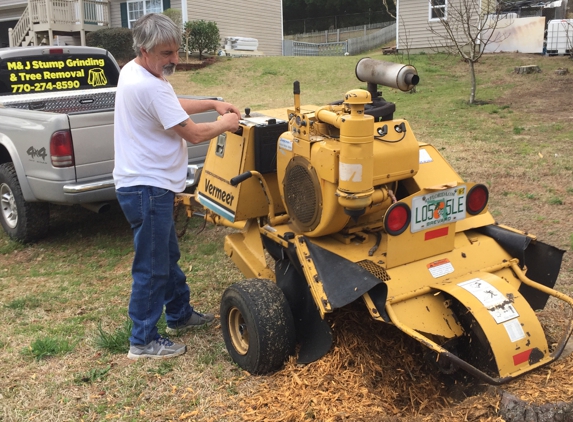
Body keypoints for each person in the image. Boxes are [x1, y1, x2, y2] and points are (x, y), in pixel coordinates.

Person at [113, 13, 240, 360]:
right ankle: (142, 341)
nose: (175, 60)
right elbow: (195, 133)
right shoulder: (147, 84)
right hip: (146, 188)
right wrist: (225, 122)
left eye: (177, 51)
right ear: (145, 49)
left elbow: (171, 104)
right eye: (167, 53)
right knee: (152, 266)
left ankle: (180, 315)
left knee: (165, 256)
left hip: (147, 185)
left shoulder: (134, 71)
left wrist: (213, 102)